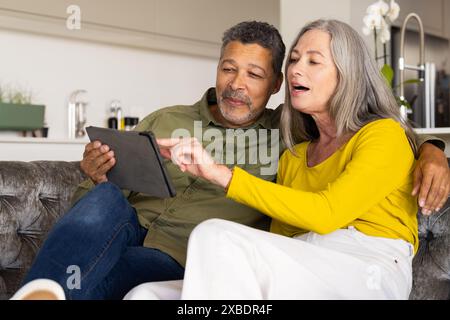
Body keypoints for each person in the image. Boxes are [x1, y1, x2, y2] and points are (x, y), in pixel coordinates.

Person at [19, 21, 448, 300]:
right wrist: (95, 178)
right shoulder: (172, 120)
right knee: (113, 215)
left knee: (176, 264)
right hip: (122, 231)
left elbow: (373, 149)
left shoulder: (287, 133)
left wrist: (432, 148)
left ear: (275, 84)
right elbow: (290, 234)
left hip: (183, 253)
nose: (237, 85)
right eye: (228, 69)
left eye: (255, 75)